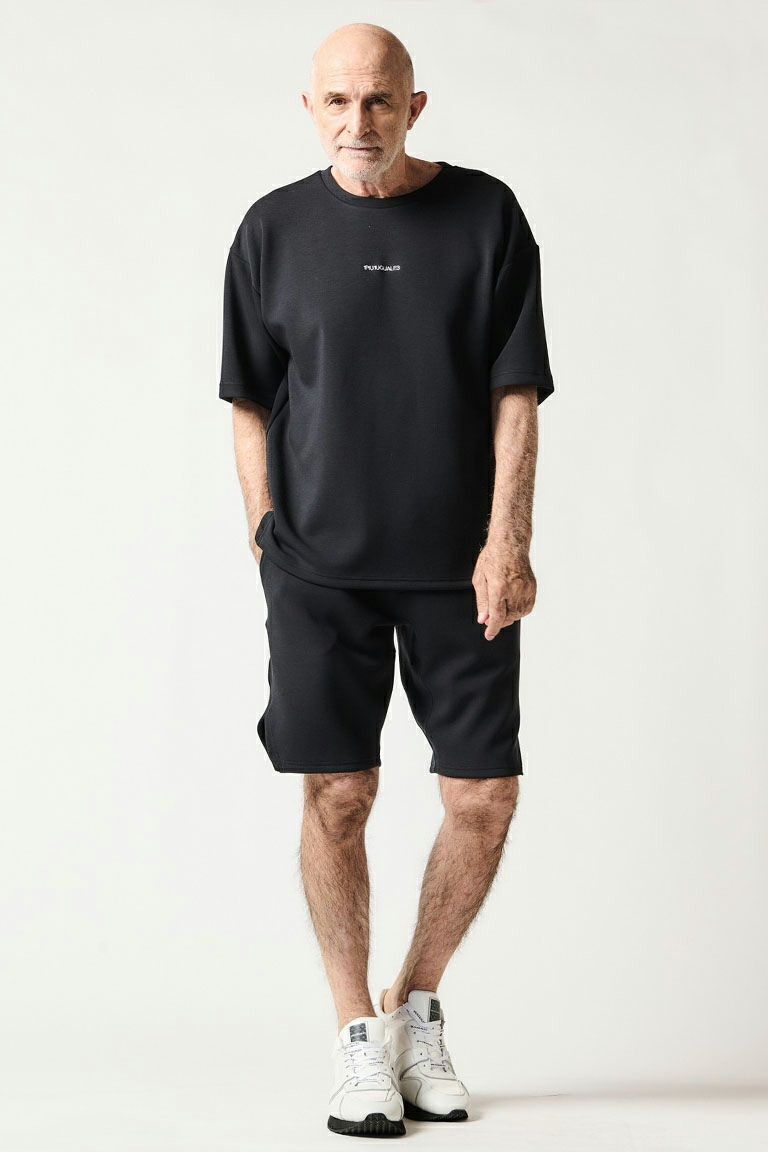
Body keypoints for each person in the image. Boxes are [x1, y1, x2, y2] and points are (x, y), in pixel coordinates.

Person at [218, 21, 555, 1139]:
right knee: (338, 794)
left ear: (416, 106)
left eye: (378, 100)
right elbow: (248, 397)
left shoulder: (487, 214)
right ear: (309, 108)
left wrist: (508, 538)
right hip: (318, 570)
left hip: (461, 566)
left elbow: (516, 392)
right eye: (337, 101)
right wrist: (264, 529)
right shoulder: (272, 229)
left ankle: (414, 1004)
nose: (357, 122)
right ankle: (356, 1035)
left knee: (483, 798)